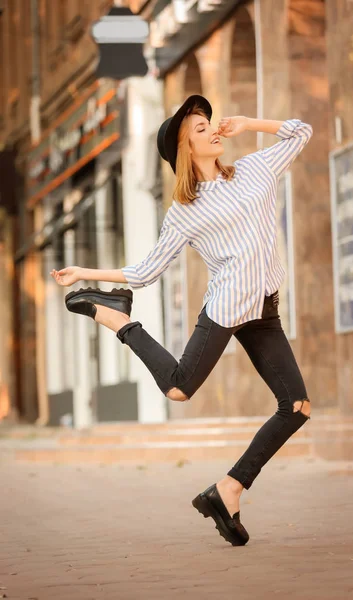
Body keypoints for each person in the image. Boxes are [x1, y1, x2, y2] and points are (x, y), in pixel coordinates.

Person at [51, 94, 313, 547]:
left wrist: (250, 122)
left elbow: (301, 131)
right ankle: (116, 318)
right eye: (198, 128)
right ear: (185, 150)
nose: (211, 128)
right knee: (179, 388)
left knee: (297, 407)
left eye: (209, 121)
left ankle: (228, 490)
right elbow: (146, 271)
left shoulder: (254, 169)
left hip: (263, 309)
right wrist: (85, 273)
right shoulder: (185, 212)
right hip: (227, 308)